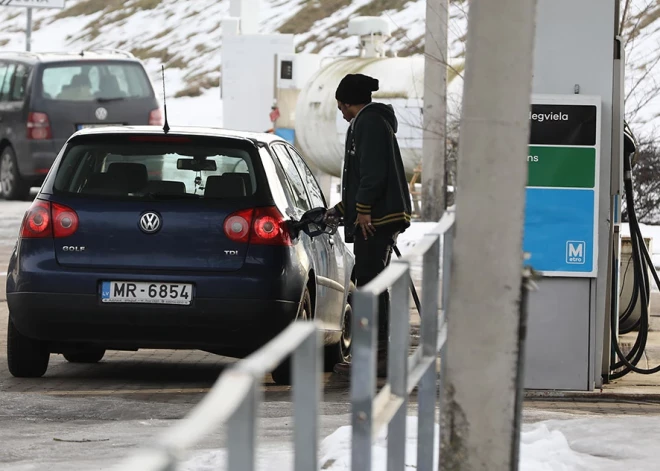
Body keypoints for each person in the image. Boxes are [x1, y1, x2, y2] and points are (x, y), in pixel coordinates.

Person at [325, 73, 412, 377]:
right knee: (370, 283)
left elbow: (373, 174)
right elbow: (363, 176)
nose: (341, 111)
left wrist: (362, 211)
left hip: (376, 219)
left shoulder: (369, 123)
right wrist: (342, 209)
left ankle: (376, 358)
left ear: (348, 101)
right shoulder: (367, 123)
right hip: (376, 216)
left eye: (341, 105)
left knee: (369, 285)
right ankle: (375, 356)